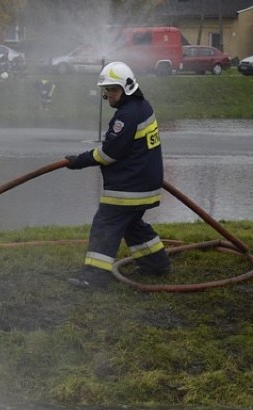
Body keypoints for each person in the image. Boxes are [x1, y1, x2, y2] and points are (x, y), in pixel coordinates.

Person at [62, 61, 171, 290]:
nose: (109, 94)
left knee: (105, 225)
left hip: (129, 187)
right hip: (144, 183)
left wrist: (78, 161)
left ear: (127, 88)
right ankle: (156, 263)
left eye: (113, 89)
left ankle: (92, 278)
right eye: (107, 90)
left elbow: (109, 153)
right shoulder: (141, 106)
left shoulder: (126, 116)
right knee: (132, 224)